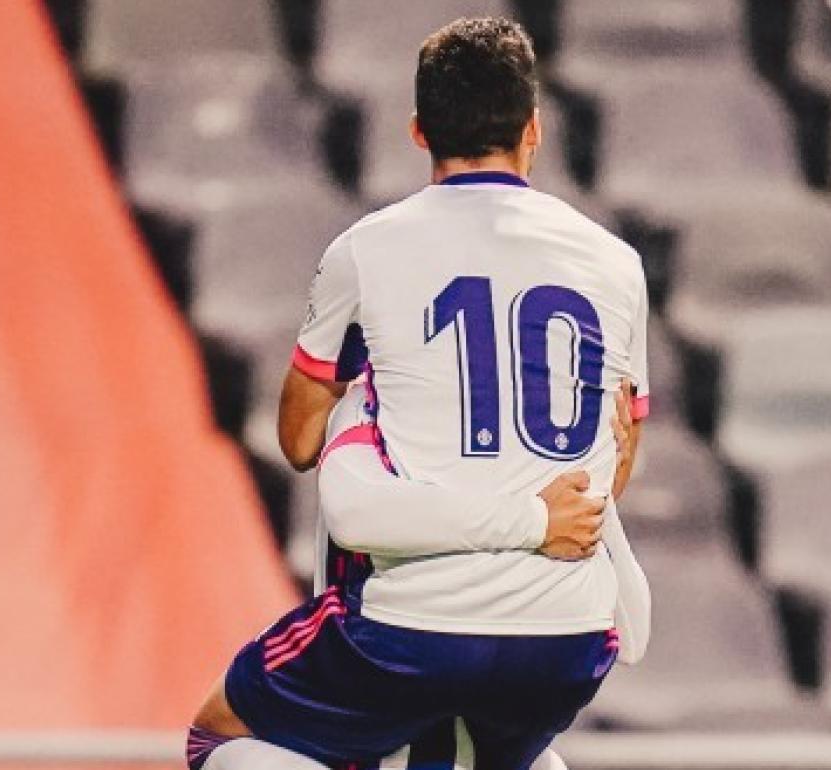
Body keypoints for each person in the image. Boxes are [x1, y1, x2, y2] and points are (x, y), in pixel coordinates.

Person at [190, 17, 651, 769]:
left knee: (219, 735)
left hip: (419, 627)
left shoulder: (366, 251)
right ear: (533, 130)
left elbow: (299, 444)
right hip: (570, 637)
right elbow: (614, 469)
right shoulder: (617, 263)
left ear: (416, 131)